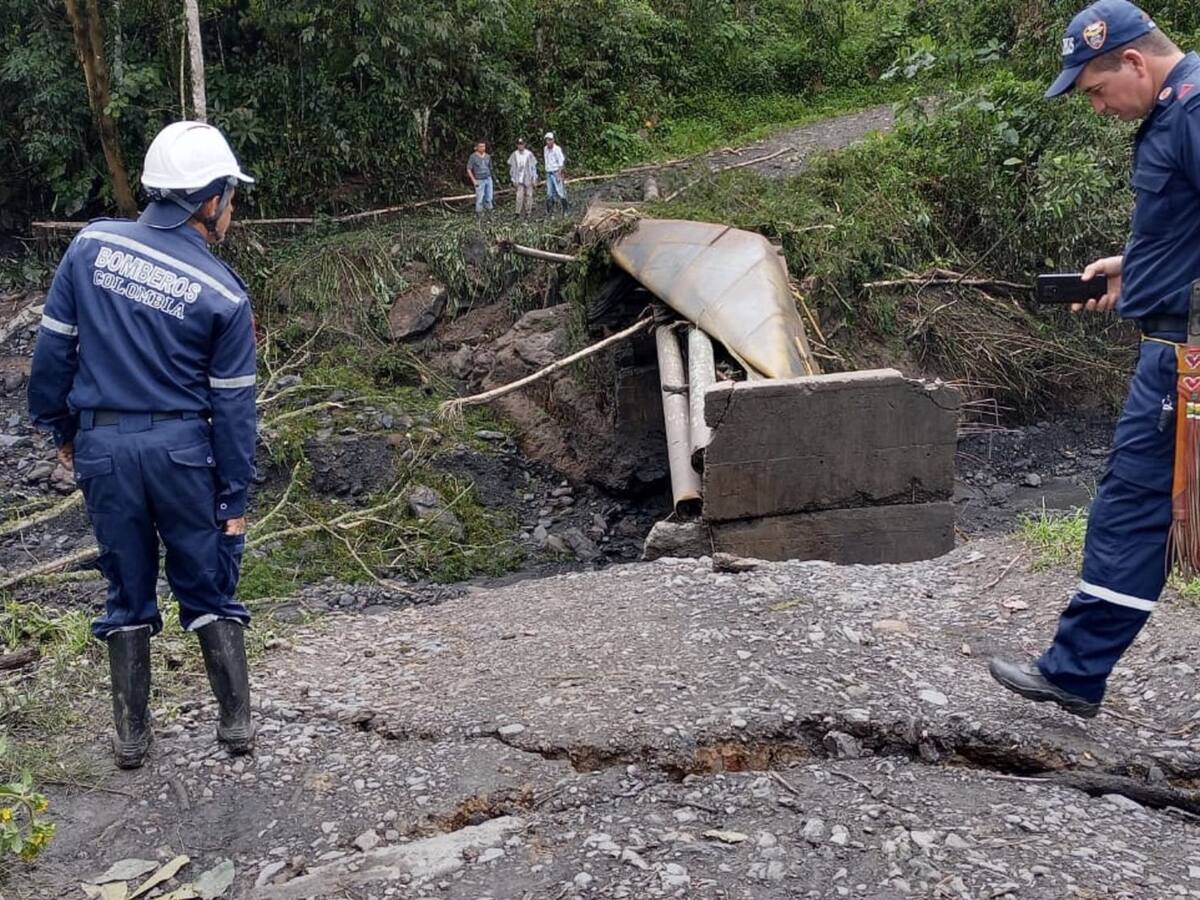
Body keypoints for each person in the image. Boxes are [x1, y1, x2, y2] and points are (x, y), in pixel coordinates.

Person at [989, 0, 1200, 717]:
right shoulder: (1177, 110)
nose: (1098, 108)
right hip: (1173, 345)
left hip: (1184, 360)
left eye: (1097, 90)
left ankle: (1074, 673)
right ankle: (1075, 671)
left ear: (1135, 61)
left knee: (1133, 505)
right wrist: (1132, 270)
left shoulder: (1193, 110)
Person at [27, 121, 259, 768]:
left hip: (103, 449)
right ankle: (235, 726)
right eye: (230, 197)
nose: (232, 210)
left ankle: (131, 738)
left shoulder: (90, 247)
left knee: (125, 586)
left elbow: (53, 354)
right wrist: (233, 497)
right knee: (207, 583)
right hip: (181, 453)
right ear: (209, 200)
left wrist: (62, 430)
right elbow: (233, 409)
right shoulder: (223, 294)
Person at [507, 138, 539, 218]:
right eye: (519, 144)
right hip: (518, 178)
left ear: (524, 144)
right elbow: (512, 168)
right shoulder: (514, 154)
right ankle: (517, 212)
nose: (520, 146)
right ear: (517, 145)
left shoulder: (529, 154)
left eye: (522, 144)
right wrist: (513, 179)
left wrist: (534, 177)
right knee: (519, 196)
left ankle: (528, 212)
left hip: (528, 177)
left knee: (529, 195)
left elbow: (533, 167)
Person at [543, 131, 569, 215]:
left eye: (550, 140)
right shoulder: (545, 149)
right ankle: (550, 211)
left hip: (556, 172)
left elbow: (561, 162)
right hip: (549, 172)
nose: (548, 142)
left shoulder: (557, 149)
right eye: (547, 140)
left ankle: (565, 210)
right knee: (549, 193)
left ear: (553, 140)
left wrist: (559, 173)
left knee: (560, 191)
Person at [467, 141, 494, 217]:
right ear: (477, 147)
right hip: (479, 179)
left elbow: (490, 168)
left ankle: (489, 214)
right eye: (481, 146)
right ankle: (480, 215)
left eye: (484, 146)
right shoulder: (473, 157)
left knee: (489, 197)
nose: (482, 148)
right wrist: (474, 181)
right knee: (480, 198)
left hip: (488, 178)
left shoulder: (488, 156)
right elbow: (469, 169)